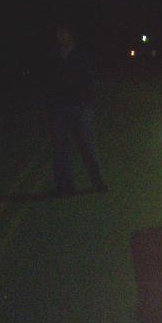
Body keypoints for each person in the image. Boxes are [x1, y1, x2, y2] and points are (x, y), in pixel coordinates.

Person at [43, 21, 107, 196]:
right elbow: (49, 81)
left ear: (71, 35)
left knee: (87, 146)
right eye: (59, 34)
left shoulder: (81, 56)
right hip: (60, 107)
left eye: (64, 33)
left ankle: (99, 182)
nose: (61, 37)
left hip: (80, 107)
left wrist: (85, 100)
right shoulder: (54, 57)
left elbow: (90, 79)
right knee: (60, 149)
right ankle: (65, 186)